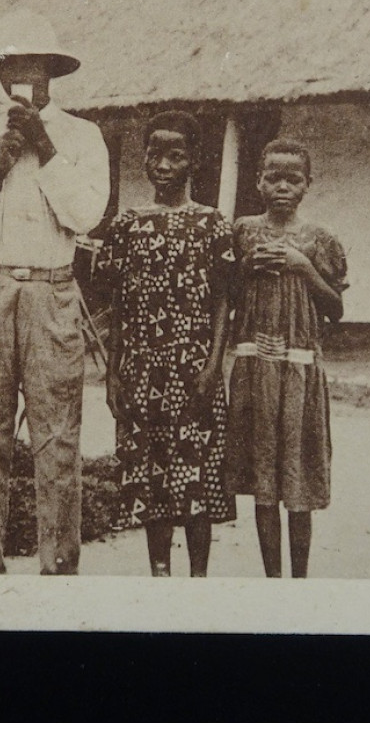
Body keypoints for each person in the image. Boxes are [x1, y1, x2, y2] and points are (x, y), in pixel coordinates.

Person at [0, 9, 110, 576]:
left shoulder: (83, 136)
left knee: (57, 437)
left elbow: (87, 215)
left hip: (52, 290)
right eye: (9, 66)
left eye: (32, 66)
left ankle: (57, 571)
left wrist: (45, 150)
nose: (21, 78)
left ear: (51, 71)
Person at [95, 111, 235, 577]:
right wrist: (113, 373)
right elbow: (117, 304)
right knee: (153, 477)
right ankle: (160, 574)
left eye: (176, 155)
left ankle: (198, 578)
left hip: (194, 368)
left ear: (194, 161)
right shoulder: (128, 225)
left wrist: (214, 365)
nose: (164, 165)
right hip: (142, 368)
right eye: (155, 154)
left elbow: (222, 301)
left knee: (194, 474)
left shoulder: (213, 225)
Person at [225, 138, 347, 579]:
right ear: (258, 181)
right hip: (255, 365)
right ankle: (270, 581)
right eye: (273, 177)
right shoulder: (244, 231)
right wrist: (246, 267)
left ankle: (300, 581)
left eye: (293, 179)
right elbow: (229, 298)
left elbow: (336, 307)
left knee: (295, 473)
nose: (282, 187)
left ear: (308, 185)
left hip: (298, 366)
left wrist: (302, 266)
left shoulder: (319, 239)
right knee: (263, 476)